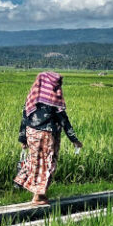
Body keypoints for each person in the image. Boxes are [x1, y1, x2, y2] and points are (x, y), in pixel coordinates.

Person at [15, 72, 82, 205]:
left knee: (35, 162)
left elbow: (24, 118)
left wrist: (23, 140)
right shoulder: (54, 101)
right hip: (47, 135)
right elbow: (64, 120)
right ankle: (38, 196)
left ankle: (31, 188)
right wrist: (74, 139)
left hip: (32, 134)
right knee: (47, 164)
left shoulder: (32, 97)